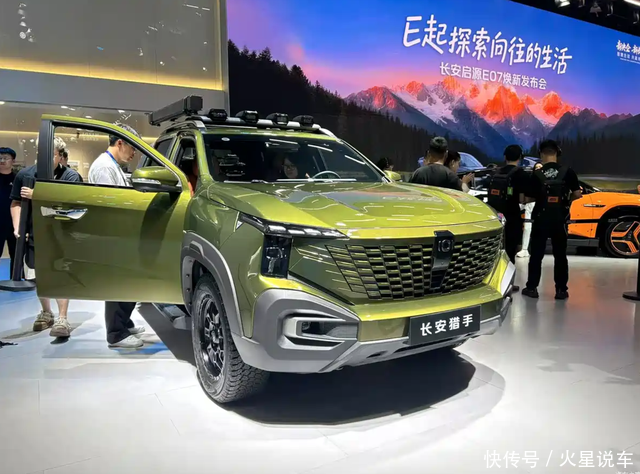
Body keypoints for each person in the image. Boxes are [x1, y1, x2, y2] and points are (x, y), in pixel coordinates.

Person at [10, 137, 82, 337]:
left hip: (62, 234)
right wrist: (18, 227)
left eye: (51, 154)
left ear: (60, 156)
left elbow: (72, 203)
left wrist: (38, 194)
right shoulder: (25, 175)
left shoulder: (70, 176)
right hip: (34, 233)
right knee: (38, 275)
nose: (45, 157)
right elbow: (16, 203)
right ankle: (46, 312)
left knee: (60, 273)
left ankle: (62, 318)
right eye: (41, 153)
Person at [88, 123, 146, 348]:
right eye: (133, 148)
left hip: (120, 234)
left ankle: (124, 323)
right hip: (114, 235)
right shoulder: (104, 167)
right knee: (119, 284)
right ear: (120, 143)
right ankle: (116, 334)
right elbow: (110, 205)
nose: (134, 154)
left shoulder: (112, 166)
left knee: (127, 282)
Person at [522, 140, 581, 300]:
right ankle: (561, 290)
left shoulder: (536, 174)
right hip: (560, 219)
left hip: (540, 219)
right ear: (557, 153)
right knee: (560, 255)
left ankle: (532, 288)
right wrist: (565, 200)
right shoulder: (568, 172)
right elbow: (577, 194)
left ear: (541, 154)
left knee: (536, 255)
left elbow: (527, 198)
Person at [486, 145, 530, 291]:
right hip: (512, 215)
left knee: (496, 249)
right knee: (511, 250)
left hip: (495, 215)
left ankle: (492, 283)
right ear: (520, 158)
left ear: (505, 157)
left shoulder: (495, 172)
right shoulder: (520, 174)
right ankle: (508, 284)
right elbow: (522, 199)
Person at [409, 137, 474, 191]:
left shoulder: (418, 173)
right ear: (446, 154)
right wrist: (464, 183)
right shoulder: (450, 175)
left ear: (429, 153)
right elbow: (463, 193)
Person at [517, 162, 543, 258]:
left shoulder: (545, 181)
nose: (538, 169)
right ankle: (524, 249)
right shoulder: (530, 179)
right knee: (527, 228)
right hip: (529, 206)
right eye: (537, 167)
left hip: (541, 207)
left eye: (540, 167)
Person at [0, 148, 17, 277]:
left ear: (13, 161)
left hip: (14, 223)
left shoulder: (18, 178)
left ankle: (15, 281)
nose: (2, 160)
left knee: (16, 255)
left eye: (5, 158)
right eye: (0, 158)